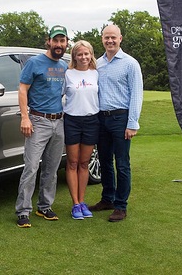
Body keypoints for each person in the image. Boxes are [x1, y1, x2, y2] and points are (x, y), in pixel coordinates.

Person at [15, 25, 69, 228]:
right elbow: (22, 89)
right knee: (31, 167)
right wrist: (24, 117)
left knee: (52, 168)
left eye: (62, 41)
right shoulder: (35, 63)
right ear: (48, 41)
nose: (58, 44)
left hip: (59, 121)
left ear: (66, 43)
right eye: (55, 40)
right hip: (38, 121)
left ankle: (44, 206)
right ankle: (23, 210)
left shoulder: (64, 66)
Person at [89, 24, 143, 222]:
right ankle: (107, 199)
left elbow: (136, 95)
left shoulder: (130, 64)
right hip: (102, 119)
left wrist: (132, 123)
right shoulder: (98, 64)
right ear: (102, 39)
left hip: (121, 118)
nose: (110, 41)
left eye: (113, 37)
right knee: (104, 162)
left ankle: (121, 205)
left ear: (120, 39)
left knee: (121, 163)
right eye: (106, 37)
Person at [62, 40, 99, 220]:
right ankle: (75, 204)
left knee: (84, 163)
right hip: (72, 121)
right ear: (74, 57)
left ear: (91, 54)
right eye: (79, 54)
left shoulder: (96, 74)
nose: (83, 57)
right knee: (72, 163)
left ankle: (82, 202)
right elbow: (59, 96)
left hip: (92, 120)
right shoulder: (68, 74)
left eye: (87, 54)